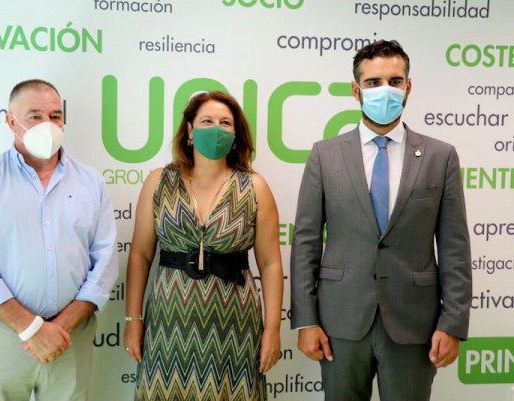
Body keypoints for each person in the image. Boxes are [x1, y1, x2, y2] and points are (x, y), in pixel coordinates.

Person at [291, 40, 472, 401]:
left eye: (395, 80)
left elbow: (454, 248)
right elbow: (306, 243)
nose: (385, 90)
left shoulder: (440, 157)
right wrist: (306, 320)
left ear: (408, 86)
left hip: (414, 324)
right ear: (355, 90)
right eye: (373, 82)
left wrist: (453, 323)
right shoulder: (324, 155)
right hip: (340, 321)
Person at [0, 79, 119, 401]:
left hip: (69, 340)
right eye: (35, 116)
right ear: (11, 122)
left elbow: (105, 263)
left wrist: (59, 330)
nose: (48, 124)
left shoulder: (91, 182)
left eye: (55, 116)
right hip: (3, 339)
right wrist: (32, 328)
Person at [123, 91, 283, 401]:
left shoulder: (255, 187)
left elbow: (270, 264)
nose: (216, 128)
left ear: (235, 136)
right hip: (168, 321)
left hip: (234, 324)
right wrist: (133, 320)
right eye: (207, 121)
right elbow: (141, 254)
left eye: (225, 123)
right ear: (190, 131)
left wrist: (272, 329)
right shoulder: (159, 181)